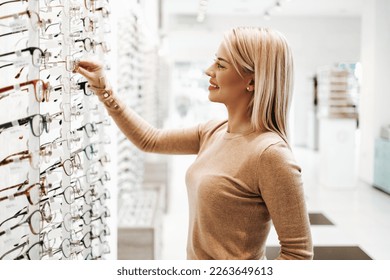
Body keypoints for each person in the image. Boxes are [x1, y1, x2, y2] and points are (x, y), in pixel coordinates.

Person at [75, 26, 313, 260]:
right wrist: (103, 89)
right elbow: (150, 140)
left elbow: (298, 255)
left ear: (251, 80)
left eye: (221, 65)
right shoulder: (213, 131)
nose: (209, 71)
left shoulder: (270, 154)